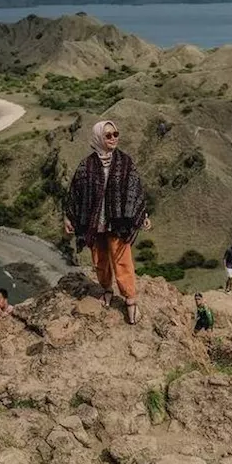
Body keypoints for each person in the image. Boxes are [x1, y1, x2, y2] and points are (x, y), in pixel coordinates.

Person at [63, 120, 152, 324]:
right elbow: (75, 193)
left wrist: (142, 216)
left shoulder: (125, 162)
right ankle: (106, 289)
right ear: (98, 139)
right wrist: (69, 217)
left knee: (122, 259)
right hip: (95, 223)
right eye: (108, 135)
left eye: (116, 134)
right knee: (99, 261)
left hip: (118, 222)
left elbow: (135, 191)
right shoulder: (87, 165)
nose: (113, 138)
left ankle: (130, 300)